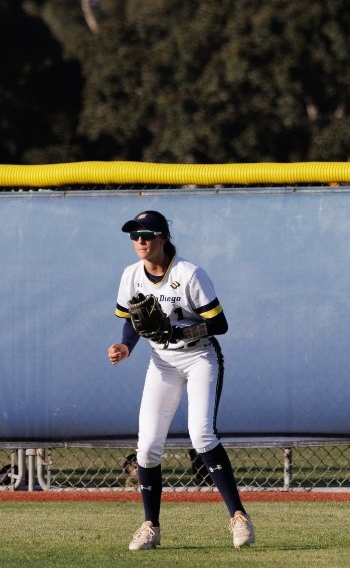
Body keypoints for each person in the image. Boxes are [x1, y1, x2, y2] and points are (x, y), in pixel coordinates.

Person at [108, 210, 255, 550]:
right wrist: (125, 347)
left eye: (146, 235)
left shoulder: (189, 274)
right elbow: (132, 322)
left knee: (201, 434)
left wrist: (180, 329)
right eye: (134, 235)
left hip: (201, 356)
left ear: (162, 238)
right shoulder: (131, 275)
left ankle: (239, 517)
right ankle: (150, 526)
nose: (140, 241)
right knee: (146, 446)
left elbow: (220, 325)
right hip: (162, 362)